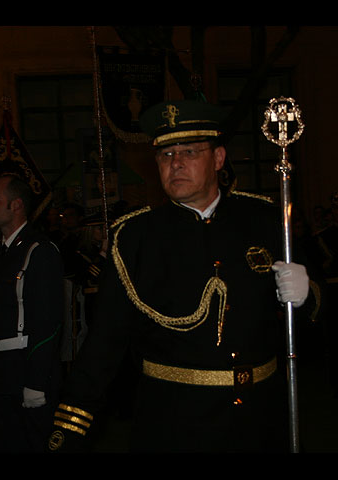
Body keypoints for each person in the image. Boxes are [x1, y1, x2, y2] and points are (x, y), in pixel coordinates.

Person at [47, 100, 310, 453]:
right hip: (174, 420)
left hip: (259, 417)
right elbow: (106, 340)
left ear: (218, 158)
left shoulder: (264, 219)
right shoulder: (136, 237)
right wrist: (72, 422)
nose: (176, 164)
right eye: (166, 155)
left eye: (189, 151)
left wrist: (306, 296)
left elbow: (316, 311)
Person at [0, 174, 64, 452]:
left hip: (26, 365)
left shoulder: (39, 251)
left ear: (16, 205)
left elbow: (47, 321)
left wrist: (36, 382)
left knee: (35, 443)